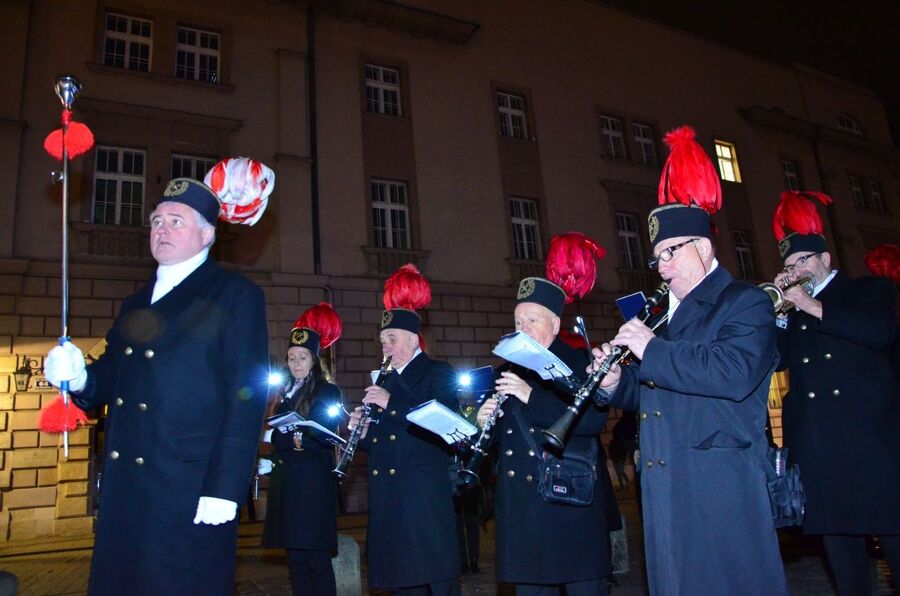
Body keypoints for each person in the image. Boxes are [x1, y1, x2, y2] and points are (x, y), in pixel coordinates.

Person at [44, 178, 269, 595]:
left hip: (188, 488)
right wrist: (78, 376)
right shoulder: (136, 303)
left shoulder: (234, 295)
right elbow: (110, 376)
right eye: (156, 221)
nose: (162, 229)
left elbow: (247, 393)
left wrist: (226, 487)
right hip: (127, 488)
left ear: (207, 235)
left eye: (176, 221)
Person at [590, 126, 788, 595]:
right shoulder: (665, 318)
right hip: (665, 482)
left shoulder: (744, 302)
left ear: (702, 248)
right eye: (656, 257)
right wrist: (615, 382)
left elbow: (732, 372)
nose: (660, 267)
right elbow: (655, 389)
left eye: (669, 253)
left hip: (719, 486)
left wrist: (650, 349)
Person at [772, 190, 900, 594]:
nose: (796, 270)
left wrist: (810, 306)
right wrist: (776, 316)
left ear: (825, 260)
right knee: (840, 548)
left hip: (870, 440)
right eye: (789, 265)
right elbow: (778, 362)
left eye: (803, 261)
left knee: (893, 532)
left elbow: (880, 334)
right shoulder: (792, 309)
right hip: (819, 444)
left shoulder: (868, 290)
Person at [477, 276, 612, 595]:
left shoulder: (581, 362)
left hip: (569, 507)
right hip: (524, 515)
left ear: (554, 322)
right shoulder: (506, 371)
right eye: (517, 320)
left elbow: (593, 421)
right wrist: (482, 424)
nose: (522, 327)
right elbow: (503, 441)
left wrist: (532, 397)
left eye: (532, 320)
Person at [349, 264, 461, 595]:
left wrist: (391, 403)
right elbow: (384, 441)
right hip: (389, 500)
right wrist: (363, 432)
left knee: (434, 581)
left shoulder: (437, 373)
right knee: (400, 584)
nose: (384, 347)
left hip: (422, 498)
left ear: (413, 340)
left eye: (392, 339)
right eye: (382, 340)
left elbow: (443, 425)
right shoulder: (382, 380)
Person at [261, 303, 344, 596]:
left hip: (313, 486)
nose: (296, 364)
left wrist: (295, 436)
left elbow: (319, 434)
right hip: (288, 486)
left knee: (316, 561)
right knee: (295, 562)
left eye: (302, 358)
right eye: (291, 358)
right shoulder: (285, 394)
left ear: (314, 359)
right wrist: (290, 438)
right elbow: (278, 438)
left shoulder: (326, 391)